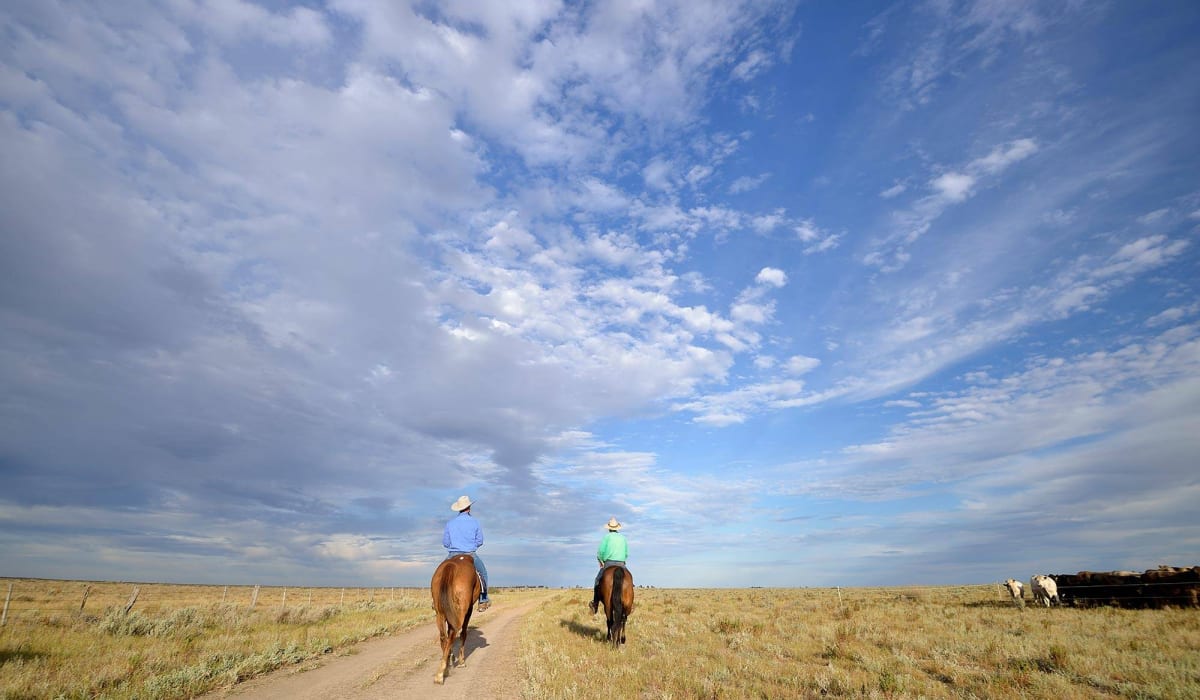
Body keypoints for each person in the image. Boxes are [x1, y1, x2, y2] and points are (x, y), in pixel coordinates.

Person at [443, 495, 490, 611]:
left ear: (459, 508)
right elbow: (480, 541)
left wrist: (454, 546)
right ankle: (483, 600)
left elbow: (445, 543)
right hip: (470, 554)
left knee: (439, 575)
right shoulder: (475, 522)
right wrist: (472, 546)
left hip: (452, 555)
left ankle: (435, 600)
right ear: (469, 507)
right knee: (483, 574)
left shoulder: (450, 523)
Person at [589, 517, 627, 615]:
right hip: (622, 564)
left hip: (608, 563)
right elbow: (626, 553)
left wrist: (601, 561)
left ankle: (595, 604)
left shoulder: (606, 537)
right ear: (617, 528)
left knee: (597, 580)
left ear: (609, 528)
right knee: (629, 581)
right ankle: (630, 603)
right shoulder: (623, 538)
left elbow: (600, 552)